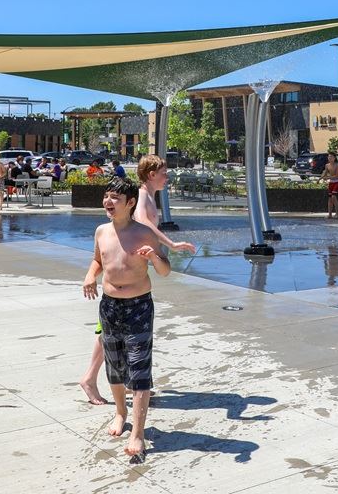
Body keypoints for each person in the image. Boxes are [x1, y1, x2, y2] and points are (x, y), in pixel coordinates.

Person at [78, 154, 194, 406]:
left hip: (135, 294)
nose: (167, 177)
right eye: (164, 172)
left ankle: (128, 385)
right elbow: (141, 227)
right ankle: (95, 380)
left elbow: (144, 233)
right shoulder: (139, 201)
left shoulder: (145, 197)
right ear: (151, 174)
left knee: (114, 339)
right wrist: (170, 244)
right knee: (108, 338)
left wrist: (161, 251)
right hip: (112, 296)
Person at [82, 178, 170, 462]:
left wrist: (154, 256)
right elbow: (98, 259)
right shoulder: (101, 231)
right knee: (115, 365)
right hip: (109, 306)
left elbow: (165, 270)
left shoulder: (144, 233)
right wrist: (89, 277)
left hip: (138, 307)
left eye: (115, 198)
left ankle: (138, 433)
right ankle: (121, 413)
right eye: (106, 196)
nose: (108, 202)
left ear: (131, 203)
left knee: (139, 368)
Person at [320, 152, 338, 218]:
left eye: (331, 157)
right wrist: (320, 179)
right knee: (330, 198)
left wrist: (328, 177)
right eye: (329, 156)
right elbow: (324, 173)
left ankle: (337, 213)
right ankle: (330, 214)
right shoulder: (327, 165)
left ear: (334, 158)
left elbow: (336, 175)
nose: (329, 158)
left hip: (337, 182)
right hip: (331, 183)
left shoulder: (337, 165)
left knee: (333, 197)